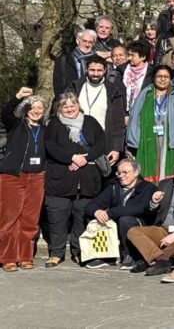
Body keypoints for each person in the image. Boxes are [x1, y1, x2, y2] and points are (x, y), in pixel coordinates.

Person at [44, 93, 107, 268]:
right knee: (57, 218)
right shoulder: (54, 124)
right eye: (65, 106)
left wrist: (85, 158)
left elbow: (101, 143)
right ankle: (56, 253)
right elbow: (50, 146)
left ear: (78, 105)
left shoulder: (90, 122)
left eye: (73, 105)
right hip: (60, 181)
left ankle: (79, 252)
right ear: (59, 108)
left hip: (87, 181)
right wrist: (71, 157)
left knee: (81, 219)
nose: (70, 109)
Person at [0, 89, 47, 271]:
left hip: (36, 177)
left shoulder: (45, 129)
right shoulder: (16, 125)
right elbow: (5, 112)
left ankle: (25, 256)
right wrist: (18, 96)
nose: (36, 111)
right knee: (9, 218)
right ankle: (8, 257)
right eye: (32, 107)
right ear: (26, 109)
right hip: (13, 176)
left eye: (40, 108)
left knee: (30, 219)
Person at [83, 158, 158, 269]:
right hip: (117, 224)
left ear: (136, 173)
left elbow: (138, 208)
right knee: (96, 217)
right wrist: (97, 212)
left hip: (140, 225)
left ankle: (130, 255)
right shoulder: (114, 187)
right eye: (119, 173)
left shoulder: (148, 188)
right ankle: (106, 256)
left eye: (125, 172)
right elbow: (91, 205)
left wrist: (110, 213)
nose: (121, 176)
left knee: (125, 219)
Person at [127, 65, 174, 182]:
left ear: (170, 79)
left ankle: (164, 189)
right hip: (147, 137)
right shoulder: (145, 94)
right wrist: (132, 141)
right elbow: (134, 118)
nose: (162, 79)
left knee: (166, 165)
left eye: (166, 77)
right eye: (159, 76)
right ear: (154, 78)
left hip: (169, 138)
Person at [72, 56, 126, 167]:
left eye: (99, 70)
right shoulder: (75, 88)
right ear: (86, 69)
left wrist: (116, 148)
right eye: (92, 70)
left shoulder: (113, 91)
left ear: (105, 70)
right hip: (77, 143)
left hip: (102, 144)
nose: (96, 74)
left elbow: (118, 123)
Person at [53, 29, 98, 94]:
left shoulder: (97, 60)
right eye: (84, 41)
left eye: (90, 42)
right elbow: (57, 83)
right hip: (69, 97)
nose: (87, 45)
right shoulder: (64, 59)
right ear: (77, 41)